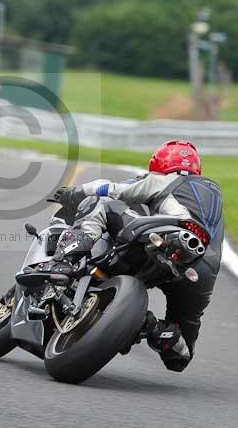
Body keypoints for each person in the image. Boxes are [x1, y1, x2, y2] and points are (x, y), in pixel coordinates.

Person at [51, 140, 224, 372]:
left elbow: (111, 189)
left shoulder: (162, 179)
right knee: (181, 355)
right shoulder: (215, 194)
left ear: (160, 163)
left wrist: (74, 192)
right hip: (203, 269)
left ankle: (64, 262)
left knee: (104, 203)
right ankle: (153, 328)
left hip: (166, 238)